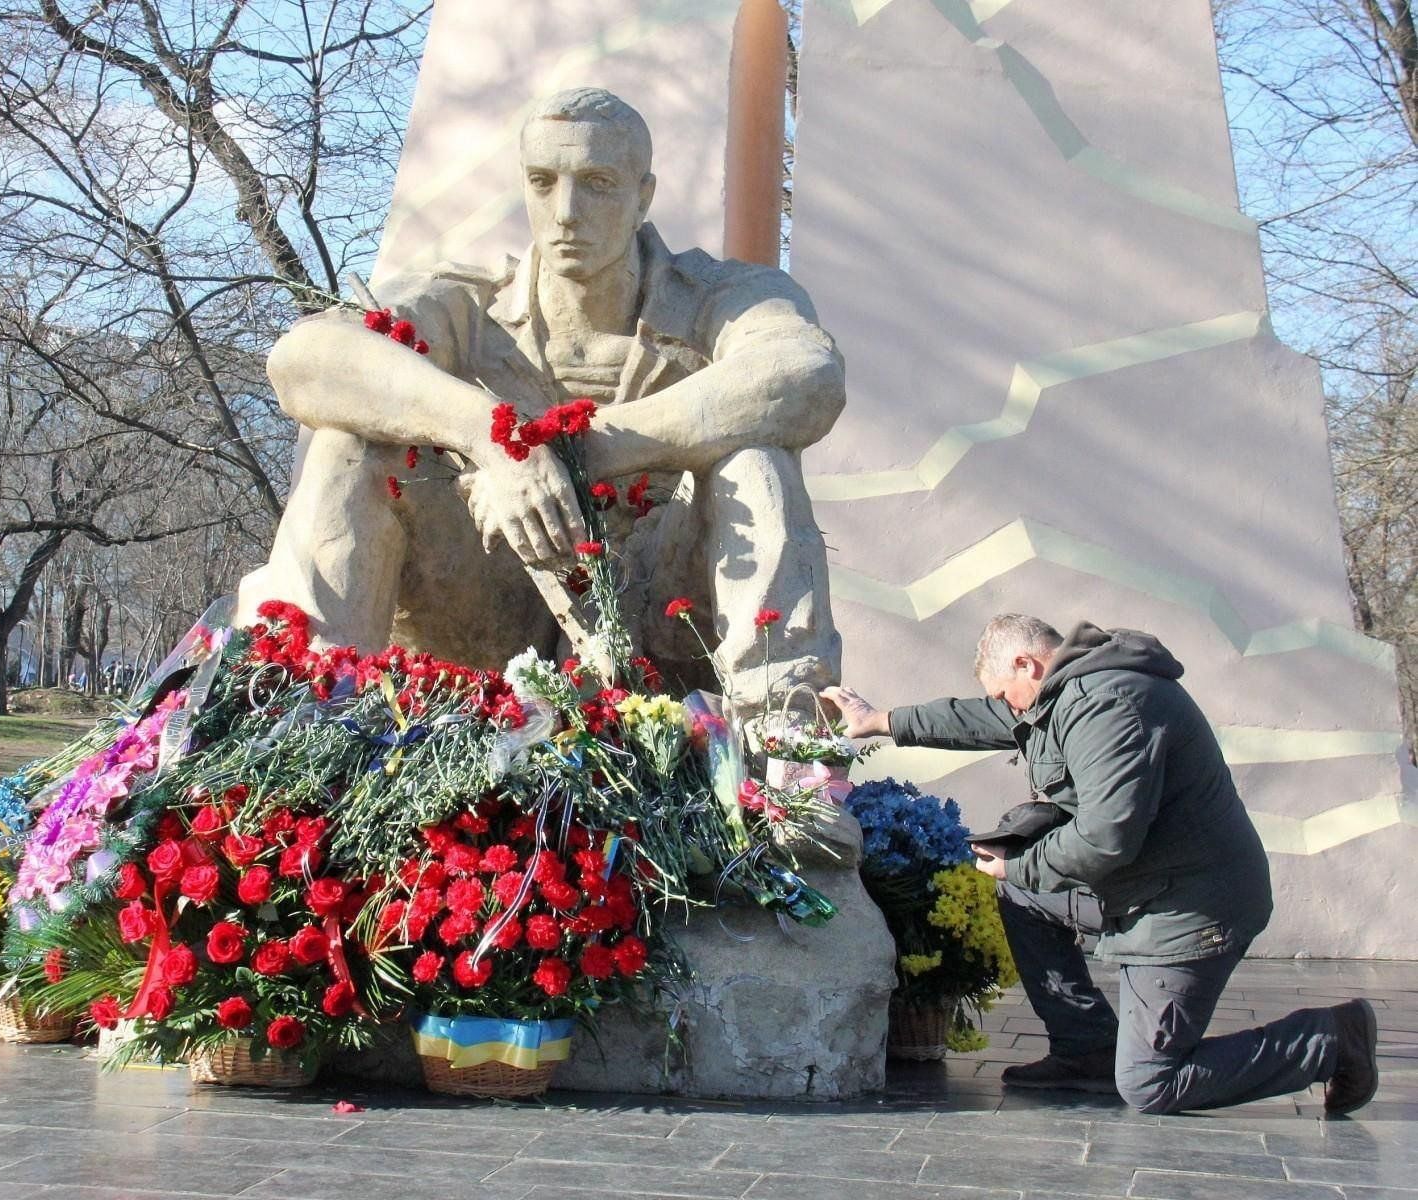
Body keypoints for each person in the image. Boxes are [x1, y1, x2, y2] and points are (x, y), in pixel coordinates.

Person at [237, 87, 843, 705]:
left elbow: (804, 373)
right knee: (353, 443)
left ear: (643, 197)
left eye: (597, 182)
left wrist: (584, 451)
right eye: (543, 181)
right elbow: (304, 361)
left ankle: (787, 741)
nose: (566, 212)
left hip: (665, 613)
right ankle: (301, 717)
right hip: (492, 608)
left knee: (754, 458)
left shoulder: (725, 296)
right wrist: (494, 438)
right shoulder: (467, 305)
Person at [821, 614, 1380, 1115]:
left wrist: (1020, 866)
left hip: (1191, 907)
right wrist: (882, 720)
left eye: (1007, 693)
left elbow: (1108, 836)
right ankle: (1086, 1050)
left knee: (1152, 1084)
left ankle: (1331, 1038)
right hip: (1143, 889)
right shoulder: (1063, 691)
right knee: (1025, 900)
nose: (1008, 708)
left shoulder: (1111, 706)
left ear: (1027, 663)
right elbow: (981, 716)